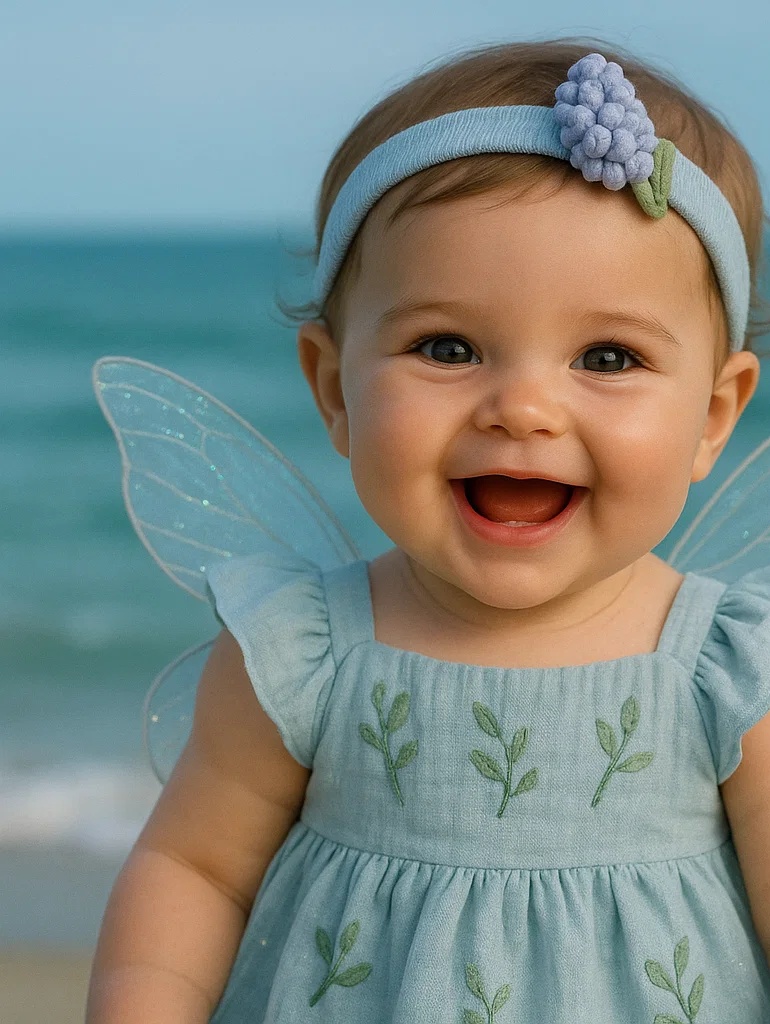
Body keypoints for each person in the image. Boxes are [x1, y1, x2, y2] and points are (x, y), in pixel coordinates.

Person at [86, 38, 770, 1023]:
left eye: (607, 356)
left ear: (712, 414)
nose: (522, 407)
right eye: (446, 347)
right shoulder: (301, 650)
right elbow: (195, 869)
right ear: (332, 387)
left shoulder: (725, 668)